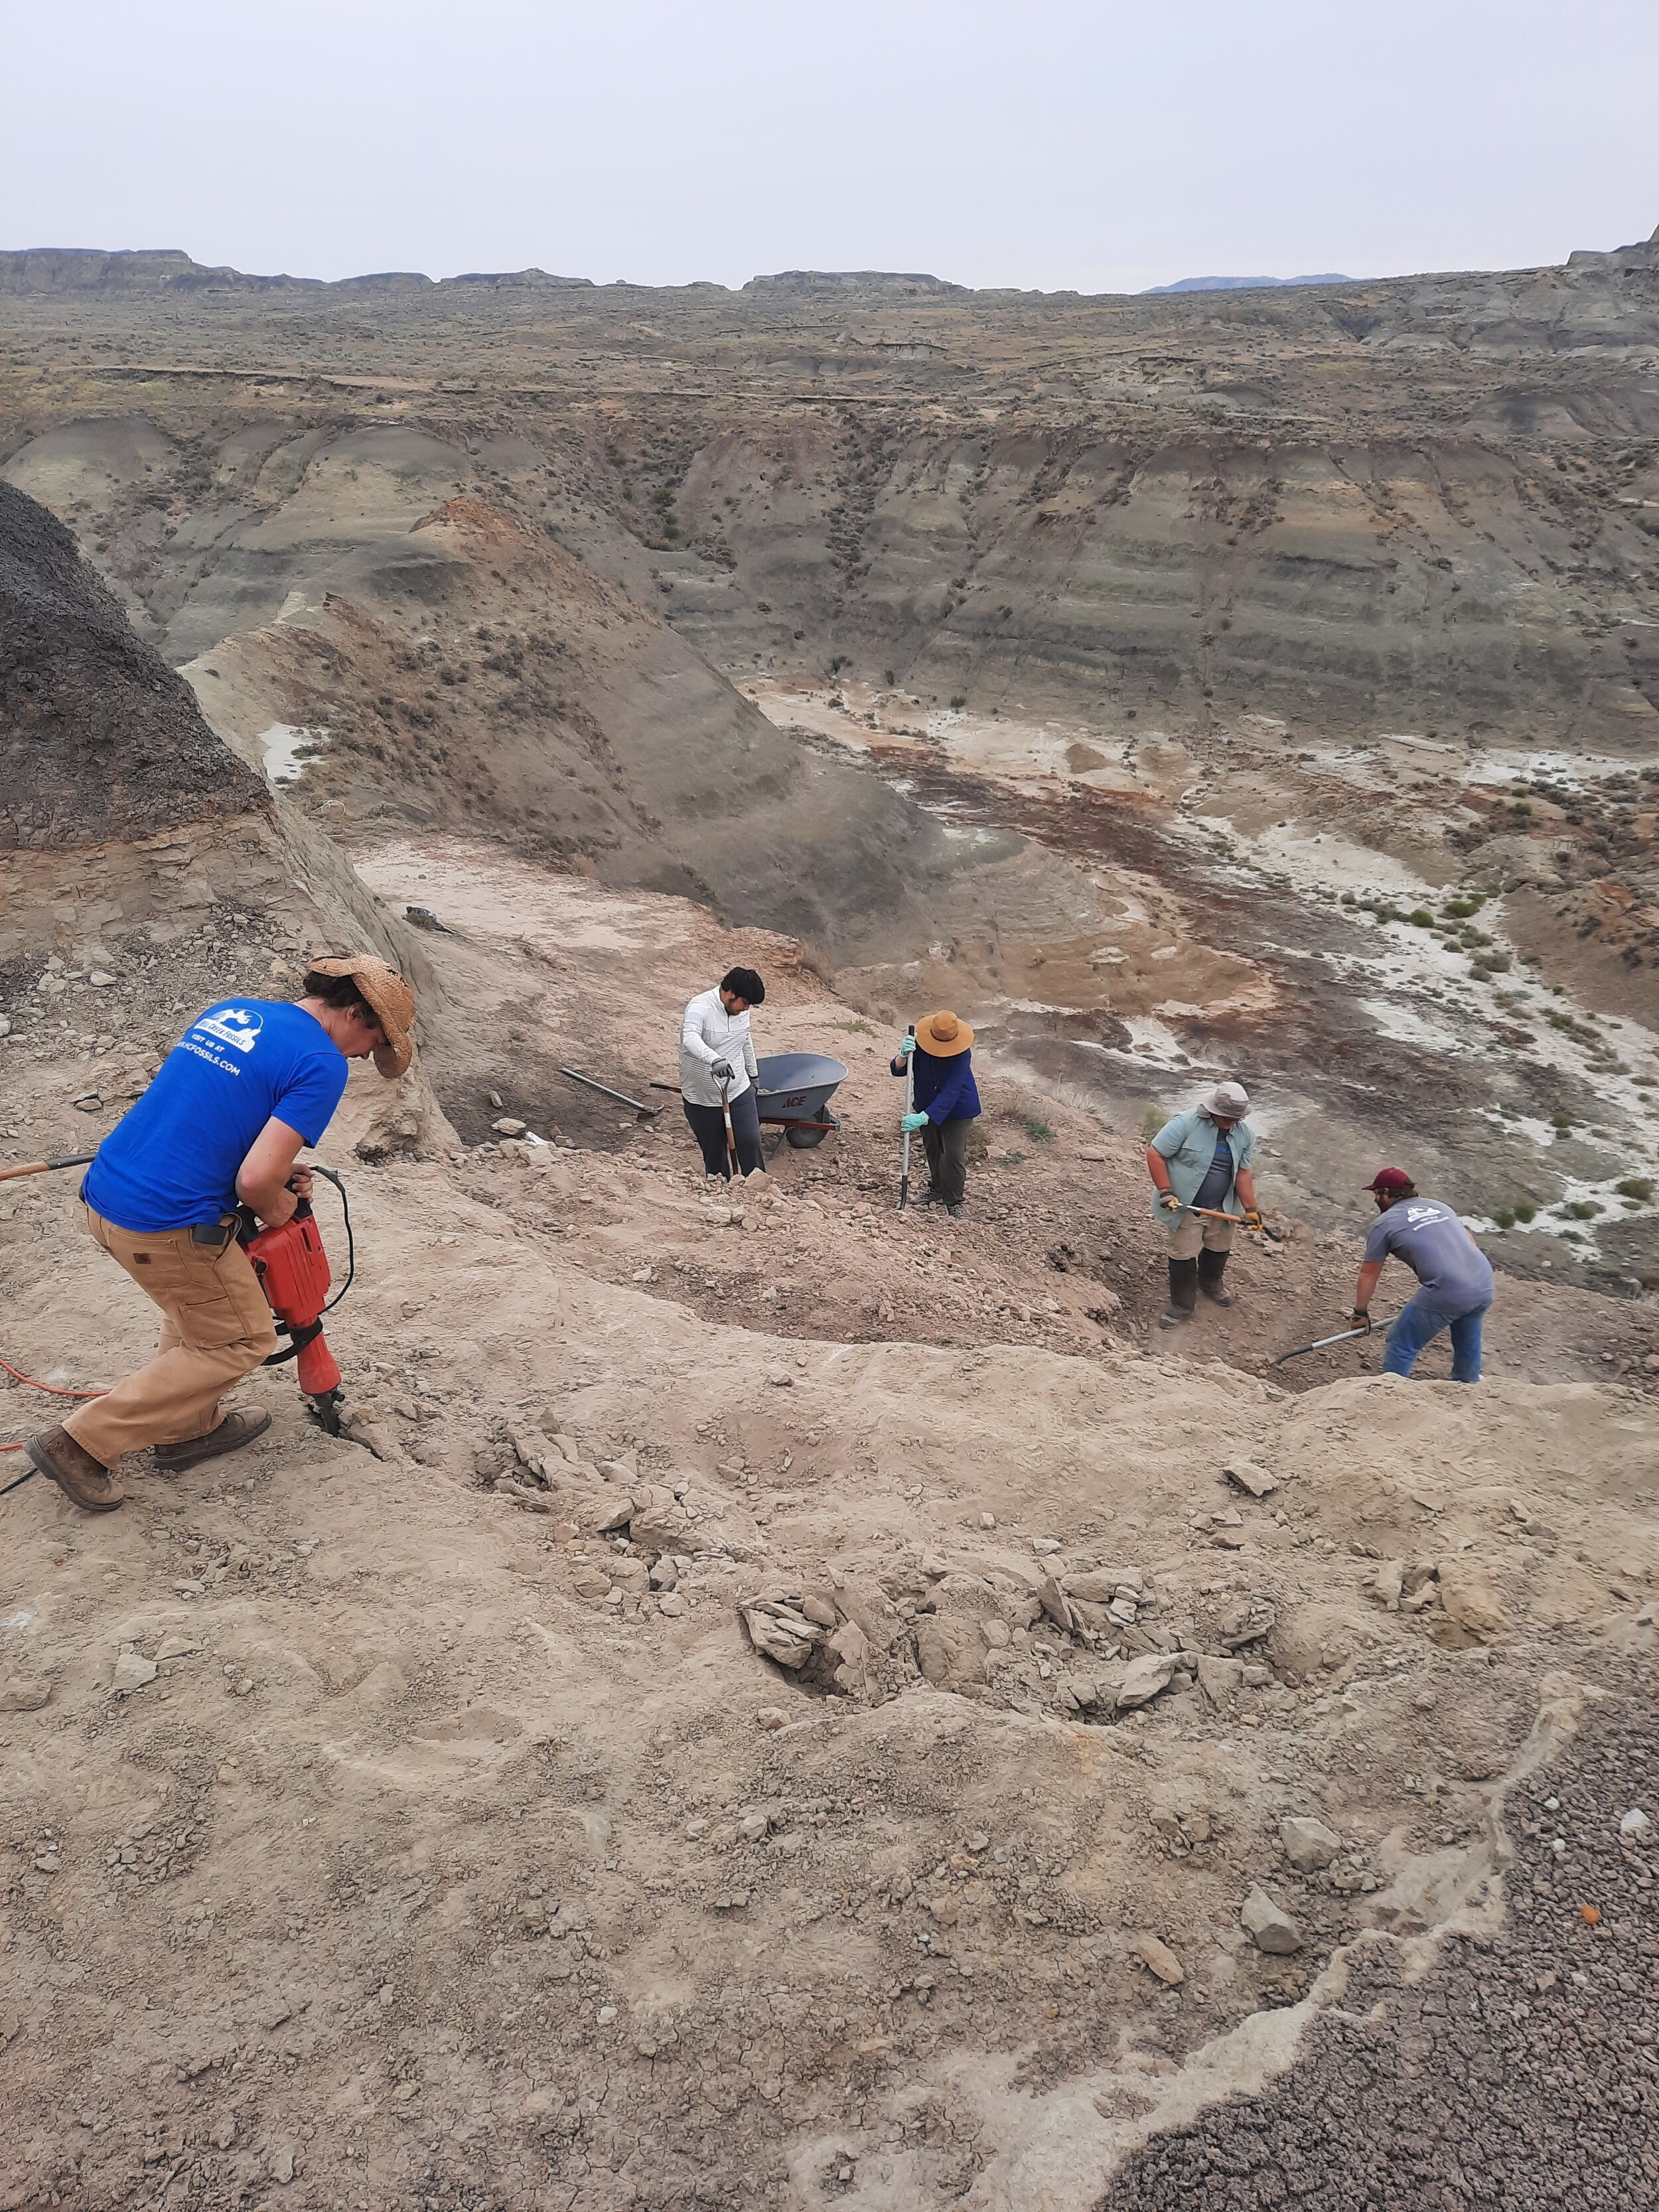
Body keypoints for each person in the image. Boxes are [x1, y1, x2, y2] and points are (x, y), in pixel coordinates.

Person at [25, 956, 417, 1515]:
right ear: (356, 1011)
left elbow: (211, 1115)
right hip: (164, 1223)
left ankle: (188, 1428)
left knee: (202, 1307)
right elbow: (255, 1179)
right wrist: (280, 1206)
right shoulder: (322, 1062)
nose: (359, 1058)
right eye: (370, 1042)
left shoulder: (235, 1012)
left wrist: (275, 1178)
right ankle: (83, 1442)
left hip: (109, 1194)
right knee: (242, 1338)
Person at [1352, 1168, 1494, 1382]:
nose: (1375, 1200)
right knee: (1467, 1336)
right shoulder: (1439, 1206)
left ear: (1385, 1193)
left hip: (1449, 1288)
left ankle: (1390, 1395)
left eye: (1376, 1194)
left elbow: (1368, 1273)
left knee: (1402, 1342)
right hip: (1483, 1280)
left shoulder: (1383, 1225)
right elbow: (1469, 1241)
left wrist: (1360, 1313)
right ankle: (1469, 1383)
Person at [1145, 1080, 1262, 1327]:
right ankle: (1182, 1305)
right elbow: (1155, 1153)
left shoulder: (1245, 1136)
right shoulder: (1185, 1123)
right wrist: (1165, 1191)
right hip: (1186, 1206)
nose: (1231, 1123)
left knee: (1219, 1248)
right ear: (1214, 1110)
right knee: (1183, 1254)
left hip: (1223, 1208)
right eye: (1226, 1117)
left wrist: (1251, 1210)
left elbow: (1243, 1173)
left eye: (1236, 1119)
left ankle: (1210, 1283)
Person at [892, 1010, 981, 1218]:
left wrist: (924, 1117)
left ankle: (954, 1201)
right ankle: (938, 1189)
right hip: (926, 1103)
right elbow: (897, 1071)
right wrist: (902, 1056)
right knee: (933, 1149)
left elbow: (951, 1092)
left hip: (958, 1109)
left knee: (953, 1155)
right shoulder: (919, 1043)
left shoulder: (962, 1053)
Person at [680, 966, 766, 1181]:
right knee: (715, 1154)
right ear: (730, 993)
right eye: (744, 1003)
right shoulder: (700, 1007)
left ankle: (757, 1190)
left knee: (750, 1141)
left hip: (737, 1089)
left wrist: (753, 1075)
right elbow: (690, 1037)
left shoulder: (741, 1012)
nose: (746, 1009)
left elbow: (745, 1040)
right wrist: (714, 1059)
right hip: (701, 1097)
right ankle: (722, 1195)